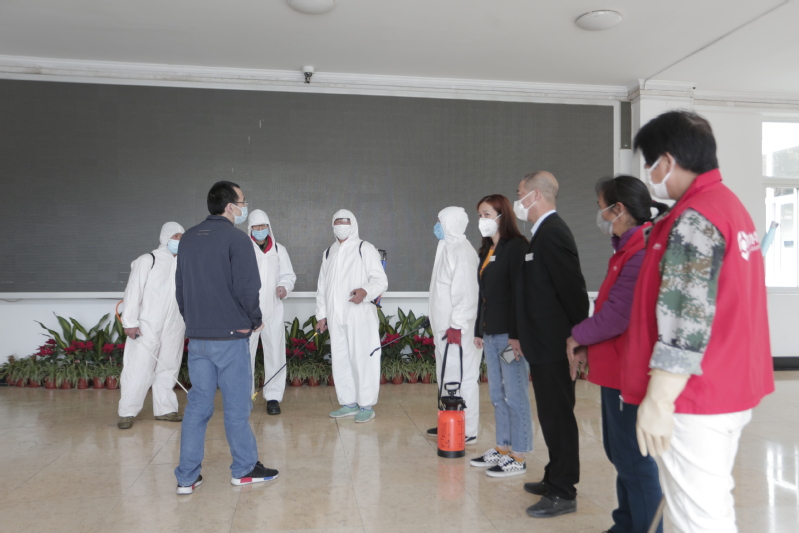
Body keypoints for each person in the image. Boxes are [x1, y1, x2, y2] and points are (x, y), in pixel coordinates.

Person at [625, 110, 774, 532]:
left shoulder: (695, 218)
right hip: (727, 383)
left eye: (650, 164)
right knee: (703, 508)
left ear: (667, 161)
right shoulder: (729, 206)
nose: (650, 175)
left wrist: (659, 400)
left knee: (699, 519)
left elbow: (685, 317)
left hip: (695, 395)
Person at [566, 176, 667, 533]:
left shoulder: (639, 254)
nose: (601, 215)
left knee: (634, 459)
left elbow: (616, 315)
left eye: (602, 208)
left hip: (630, 371)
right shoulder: (626, 249)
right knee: (620, 453)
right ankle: (626, 524)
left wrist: (577, 336)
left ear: (618, 208)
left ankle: (646, 528)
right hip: (615, 369)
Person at [174, 181, 277, 495]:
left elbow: (180, 288)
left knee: (197, 407)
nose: (244, 207)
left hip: (198, 338)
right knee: (236, 408)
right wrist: (255, 320)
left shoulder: (188, 238)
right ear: (231, 206)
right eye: (243, 202)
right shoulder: (236, 239)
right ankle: (244, 469)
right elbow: (248, 288)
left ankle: (186, 478)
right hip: (231, 337)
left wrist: (193, 323)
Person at [509, 171, 589, 518]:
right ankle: (554, 476)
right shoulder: (541, 234)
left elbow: (573, 290)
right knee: (550, 414)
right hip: (542, 343)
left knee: (558, 416)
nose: (518, 200)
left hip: (556, 344)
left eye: (520, 194)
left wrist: (580, 338)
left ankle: (563, 491)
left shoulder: (554, 232)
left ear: (536, 196)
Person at [469, 195, 533, 477]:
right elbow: (483, 295)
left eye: (486, 214)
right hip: (490, 333)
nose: (481, 220)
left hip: (509, 336)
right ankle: (503, 447)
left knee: (515, 394)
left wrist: (517, 335)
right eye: (479, 215)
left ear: (501, 216)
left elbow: (522, 293)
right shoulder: (486, 250)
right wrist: (478, 329)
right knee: (497, 394)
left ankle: (519, 455)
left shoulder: (517, 247)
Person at [315, 209, 388, 424]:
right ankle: (349, 403)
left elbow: (380, 280)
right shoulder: (328, 252)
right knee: (341, 359)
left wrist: (365, 291)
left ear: (353, 224)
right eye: (337, 221)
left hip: (360, 315)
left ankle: (366, 405)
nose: (341, 225)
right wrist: (322, 315)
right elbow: (322, 287)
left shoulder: (365, 248)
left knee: (363, 358)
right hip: (336, 316)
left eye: (345, 221)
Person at [117, 221, 186, 430]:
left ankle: (165, 409)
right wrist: (130, 322)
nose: (179, 240)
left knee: (169, 366)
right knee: (138, 367)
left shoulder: (185, 262)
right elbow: (133, 292)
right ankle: (127, 412)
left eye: (182, 237)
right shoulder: (148, 260)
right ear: (165, 238)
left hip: (175, 323)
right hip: (147, 323)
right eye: (175, 236)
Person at [426, 207, 480, 443]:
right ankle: (450, 422)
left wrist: (456, 325)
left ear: (450, 223)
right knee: (448, 377)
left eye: (440, 221)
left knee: (463, 377)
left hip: (458, 330)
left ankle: (466, 431)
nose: (437, 226)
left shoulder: (462, 252)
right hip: (446, 330)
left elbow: (467, 294)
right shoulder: (446, 247)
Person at [247, 209, 297, 415]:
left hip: (273, 309)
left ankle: (273, 397)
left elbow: (288, 275)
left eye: (263, 226)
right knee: (244, 355)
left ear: (269, 227)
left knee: (275, 352)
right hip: (247, 311)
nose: (260, 230)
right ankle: (244, 398)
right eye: (256, 226)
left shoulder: (279, 250)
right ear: (249, 228)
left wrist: (284, 287)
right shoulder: (242, 248)